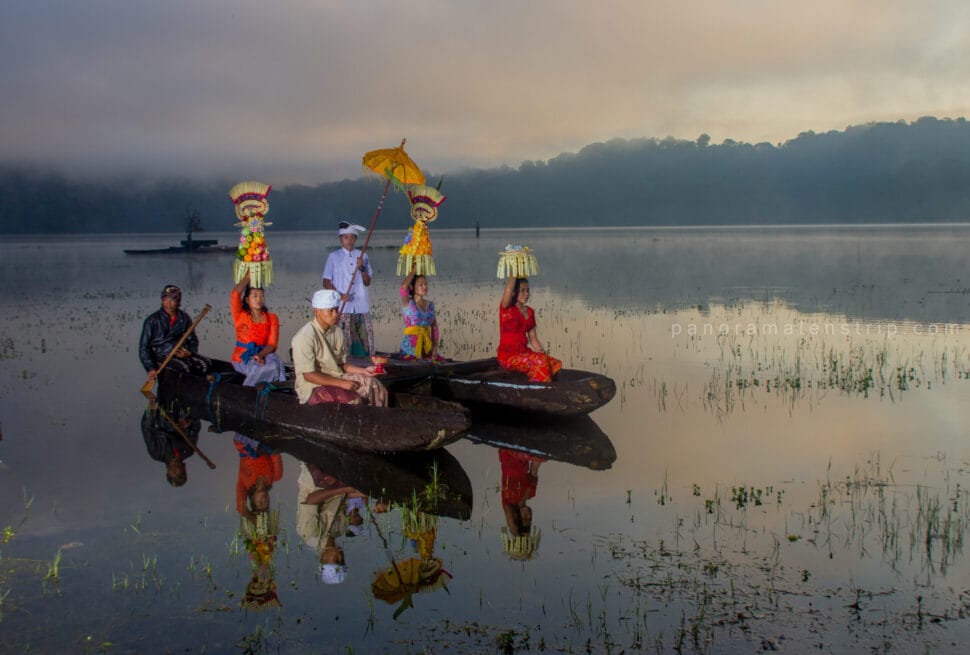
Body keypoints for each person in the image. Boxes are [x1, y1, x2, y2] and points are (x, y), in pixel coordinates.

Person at [291, 289, 387, 406]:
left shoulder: (337, 331)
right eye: (330, 311)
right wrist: (341, 383)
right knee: (353, 400)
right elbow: (309, 375)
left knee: (376, 386)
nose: (335, 314)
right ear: (317, 311)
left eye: (336, 309)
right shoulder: (304, 337)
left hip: (336, 375)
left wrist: (364, 371)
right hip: (312, 385)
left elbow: (341, 365)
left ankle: (376, 421)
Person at [322, 221, 374, 357]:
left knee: (365, 341)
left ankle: (366, 362)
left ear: (356, 239)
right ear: (341, 239)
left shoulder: (363, 256)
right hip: (343, 307)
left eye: (352, 237)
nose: (349, 240)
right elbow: (326, 282)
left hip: (361, 306)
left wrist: (362, 268)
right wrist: (340, 295)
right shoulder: (333, 257)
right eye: (346, 237)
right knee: (343, 341)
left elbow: (368, 282)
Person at [497, 276, 562, 382]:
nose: (526, 294)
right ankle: (537, 389)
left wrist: (542, 354)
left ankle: (536, 382)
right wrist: (514, 272)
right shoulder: (506, 309)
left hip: (524, 353)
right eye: (522, 291)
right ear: (514, 293)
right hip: (508, 357)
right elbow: (508, 289)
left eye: (528, 290)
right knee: (541, 364)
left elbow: (533, 338)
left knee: (551, 362)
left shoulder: (530, 312)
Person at [139, 284, 210, 379]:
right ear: (162, 300)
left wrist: (190, 353)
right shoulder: (152, 321)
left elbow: (193, 339)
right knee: (184, 369)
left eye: (172, 300)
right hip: (163, 357)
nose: (168, 303)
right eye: (165, 299)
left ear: (178, 302)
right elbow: (144, 348)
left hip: (182, 354)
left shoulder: (184, 318)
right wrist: (150, 368)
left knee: (205, 364)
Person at [230, 271, 286, 386]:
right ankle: (249, 391)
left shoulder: (272, 318)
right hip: (242, 358)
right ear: (247, 300)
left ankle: (278, 389)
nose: (259, 299)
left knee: (275, 361)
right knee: (266, 367)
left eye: (261, 295)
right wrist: (248, 277)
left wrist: (260, 355)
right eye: (255, 296)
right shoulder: (241, 315)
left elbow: (272, 345)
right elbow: (235, 294)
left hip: (263, 355)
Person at [499, 448, 544, 560]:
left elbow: (511, 522)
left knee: (533, 455)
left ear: (517, 517)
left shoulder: (509, 501)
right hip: (522, 455)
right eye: (529, 519)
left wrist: (517, 537)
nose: (528, 516)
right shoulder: (530, 494)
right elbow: (534, 469)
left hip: (509, 454)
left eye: (524, 518)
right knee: (541, 456)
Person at [140, 408, 201, 487]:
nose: (174, 471)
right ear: (184, 470)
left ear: (168, 473)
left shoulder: (157, 453)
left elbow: (146, 427)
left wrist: (150, 410)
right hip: (181, 410)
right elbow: (196, 427)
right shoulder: (189, 450)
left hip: (161, 413)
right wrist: (189, 421)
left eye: (172, 475)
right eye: (179, 474)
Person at [399, 264, 442, 361]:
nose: (424, 287)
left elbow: (434, 327)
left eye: (425, 284)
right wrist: (414, 270)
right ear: (412, 287)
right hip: (410, 351)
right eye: (420, 284)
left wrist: (435, 347)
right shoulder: (408, 303)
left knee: (441, 364)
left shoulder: (430, 305)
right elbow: (403, 287)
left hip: (427, 350)